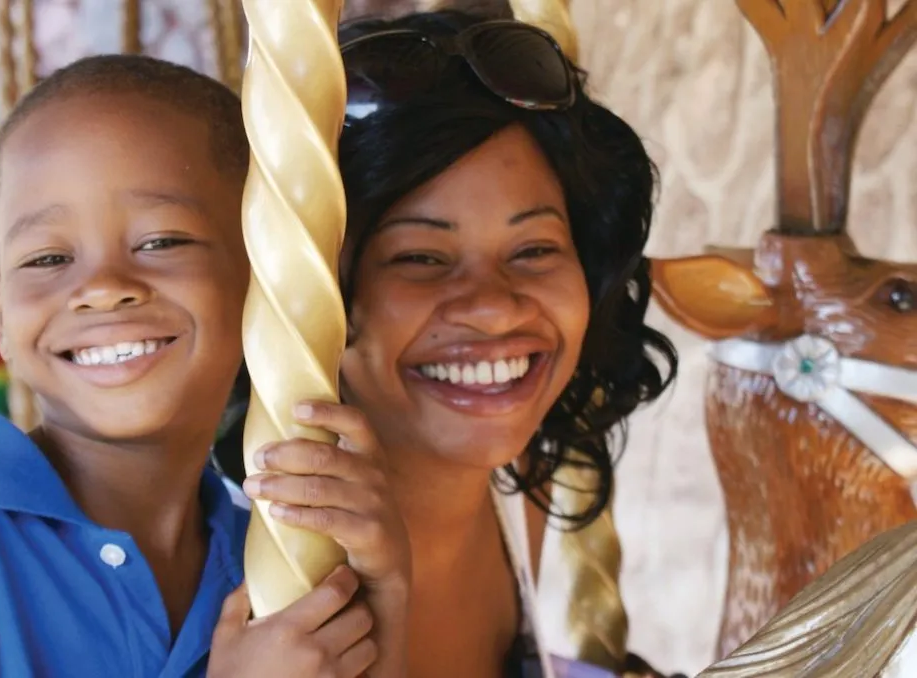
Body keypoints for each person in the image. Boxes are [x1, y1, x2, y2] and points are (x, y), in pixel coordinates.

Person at [0, 54, 409, 678]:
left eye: (160, 242)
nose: (102, 287)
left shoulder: (263, 558)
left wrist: (384, 597)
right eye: (46, 259)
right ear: (0, 311)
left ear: (262, 279)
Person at [216, 9, 680, 677]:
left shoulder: (524, 503)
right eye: (421, 259)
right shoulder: (232, 564)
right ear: (317, 285)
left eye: (534, 249)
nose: (493, 307)